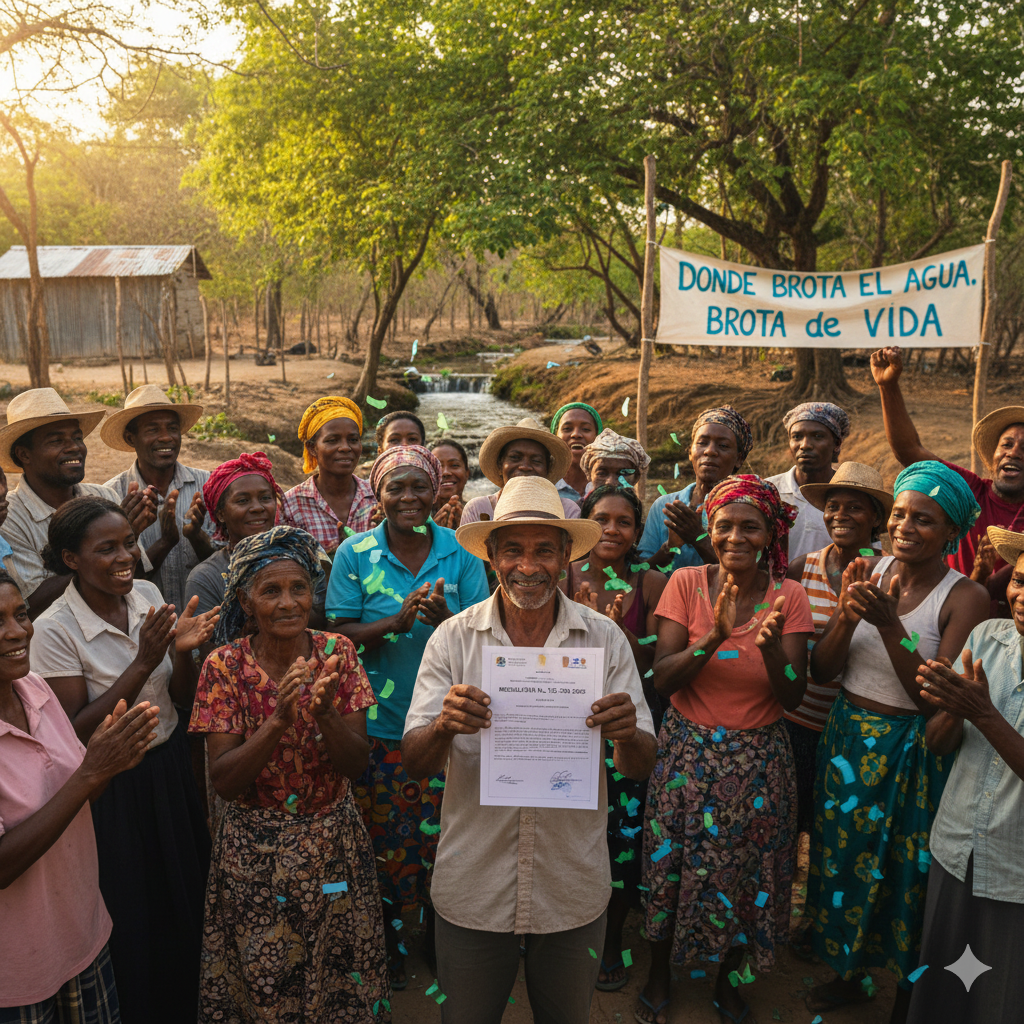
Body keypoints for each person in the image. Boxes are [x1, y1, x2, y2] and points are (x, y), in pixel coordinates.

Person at [403, 475, 657, 1024]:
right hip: (474, 880)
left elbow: (638, 765)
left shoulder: (604, 638)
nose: (529, 565)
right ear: (491, 556)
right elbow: (416, 760)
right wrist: (445, 726)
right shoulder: (453, 638)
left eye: (545, 550)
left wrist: (627, 732)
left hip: (570, 882)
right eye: (513, 549)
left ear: (567, 555)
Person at [804, 461, 990, 1023]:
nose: (907, 527)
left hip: (909, 753)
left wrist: (889, 624)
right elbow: (822, 670)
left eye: (925, 520)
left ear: (951, 532)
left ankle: (907, 996)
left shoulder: (967, 597)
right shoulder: (870, 568)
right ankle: (849, 973)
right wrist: (844, 614)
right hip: (846, 738)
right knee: (841, 859)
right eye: (902, 515)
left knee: (903, 875)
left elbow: (938, 699)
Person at [29, 496, 220, 1024]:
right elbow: (69, 731)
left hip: (167, 768)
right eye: (106, 548)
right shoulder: (54, 629)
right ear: (71, 559)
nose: (125, 558)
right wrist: (143, 662)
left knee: (182, 893)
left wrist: (180, 652)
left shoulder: (148, 594)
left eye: (128, 544)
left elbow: (179, 698)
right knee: (132, 905)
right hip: (113, 787)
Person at [189, 527, 389, 1023]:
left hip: (331, 847)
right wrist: (278, 720)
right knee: (265, 978)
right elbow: (225, 781)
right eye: (270, 591)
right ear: (245, 600)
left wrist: (323, 715)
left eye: (299, 588)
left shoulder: (337, 653)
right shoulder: (224, 666)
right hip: (254, 856)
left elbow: (356, 765)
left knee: (340, 971)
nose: (287, 603)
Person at [637, 474, 813, 1024]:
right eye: (724, 526)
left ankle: (729, 978)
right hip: (687, 752)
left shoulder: (789, 596)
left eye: (749, 527)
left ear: (769, 534)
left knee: (750, 870)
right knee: (673, 863)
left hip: (759, 759)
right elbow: (662, 680)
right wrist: (712, 637)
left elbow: (793, 694)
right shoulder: (686, 583)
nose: (735, 536)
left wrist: (773, 653)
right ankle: (659, 970)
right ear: (710, 531)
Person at [327, 445, 489, 990]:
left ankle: (441, 943)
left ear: (438, 489)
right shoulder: (355, 554)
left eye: (420, 486)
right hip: (382, 726)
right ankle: (393, 944)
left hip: (452, 725)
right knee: (387, 846)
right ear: (378, 493)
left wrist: (449, 621)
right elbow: (339, 634)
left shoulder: (461, 554)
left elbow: (489, 633)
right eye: (396, 487)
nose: (409, 498)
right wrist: (395, 623)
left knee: (448, 841)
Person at [0, 569, 160, 1023]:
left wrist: (111, 761)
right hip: (16, 971)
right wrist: (92, 773)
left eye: (21, 613)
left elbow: (77, 790)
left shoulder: (31, 687)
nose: (17, 632)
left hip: (80, 934)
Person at [907, 525, 1024, 1024]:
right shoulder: (984, 639)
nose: (1022, 596)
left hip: (1015, 869)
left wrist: (982, 713)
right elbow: (938, 744)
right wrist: (952, 708)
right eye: (1019, 580)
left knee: (996, 1000)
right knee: (942, 989)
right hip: (955, 847)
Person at [566, 484, 667, 994]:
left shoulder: (650, 583)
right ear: (585, 525)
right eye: (601, 518)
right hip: (568, 731)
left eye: (623, 521)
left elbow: (651, 666)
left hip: (625, 729)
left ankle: (610, 942)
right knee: (569, 832)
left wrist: (610, 630)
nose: (611, 529)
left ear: (636, 532)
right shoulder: (562, 575)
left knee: (622, 839)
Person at [784, 463, 892, 836]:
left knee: (837, 832)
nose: (840, 515)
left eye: (854, 507)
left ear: (875, 517)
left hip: (852, 731)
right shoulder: (802, 568)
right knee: (789, 824)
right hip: (796, 723)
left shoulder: (889, 577)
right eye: (833, 506)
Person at [871, 344, 1024, 594]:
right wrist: (887, 386)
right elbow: (909, 450)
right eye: (1006, 444)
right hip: (943, 614)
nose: (1014, 452)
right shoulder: (967, 490)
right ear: (994, 455)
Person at [0, 388, 157, 616]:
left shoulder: (105, 497)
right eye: (56, 440)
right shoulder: (9, 516)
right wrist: (104, 546)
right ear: (24, 454)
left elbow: (136, 578)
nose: (74, 447)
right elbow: (31, 603)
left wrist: (130, 537)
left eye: (77, 437)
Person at [102, 384, 214, 613]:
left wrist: (197, 537)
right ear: (131, 438)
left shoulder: (208, 486)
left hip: (205, 631)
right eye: (152, 430)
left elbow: (225, 566)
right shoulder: (111, 497)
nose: (166, 438)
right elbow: (110, 581)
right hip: (142, 635)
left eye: (172, 428)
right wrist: (152, 540)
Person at [185, 451, 327, 621]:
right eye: (243, 501)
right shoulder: (207, 577)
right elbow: (208, 645)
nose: (257, 508)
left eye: (265, 498)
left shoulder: (306, 558)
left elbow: (322, 624)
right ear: (221, 514)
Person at [637, 405, 752, 572]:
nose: (710, 451)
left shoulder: (748, 511)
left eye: (723, 446)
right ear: (690, 452)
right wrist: (670, 547)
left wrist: (698, 537)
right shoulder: (664, 506)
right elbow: (640, 574)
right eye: (702, 443)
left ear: (739, 459)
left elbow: (747, 575)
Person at [281, 396, 375, 549]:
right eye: (332, 440)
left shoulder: (376, 498)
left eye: (353, 439)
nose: (345, 447)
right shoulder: (291, 506)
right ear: (312, 448)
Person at [764, 401, 851, 562]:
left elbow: (869, 552)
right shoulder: (768, 492)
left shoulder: (851, 495)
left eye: (818, 436)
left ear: (836, 444)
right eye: (797, 437)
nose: (805, 445)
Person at [460, 417, 579, 525]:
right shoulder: (478, 509)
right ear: (500, 465)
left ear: (548, 469)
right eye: (515, 458)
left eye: (536, 460)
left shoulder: (567, 511)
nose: (525, 466)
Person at [550, 402, 603, 503]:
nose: (576, 434)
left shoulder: (611, 485)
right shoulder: (544, 485)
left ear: (598, 437)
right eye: (567, 429)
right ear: (555, 437)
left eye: (586, 429)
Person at [578, 427, 651, 499]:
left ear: (636, 477)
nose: (610, 482)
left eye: (622, 474)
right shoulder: (575, 510)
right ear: (589, 475)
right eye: (602, 473)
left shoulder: (640, 509)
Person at [430, 438, 470, 529]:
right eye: (437, 466)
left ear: (467, 473)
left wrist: (470, 532)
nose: (445, 472)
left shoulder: (482, 514)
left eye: (454, 465)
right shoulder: (416, 519)